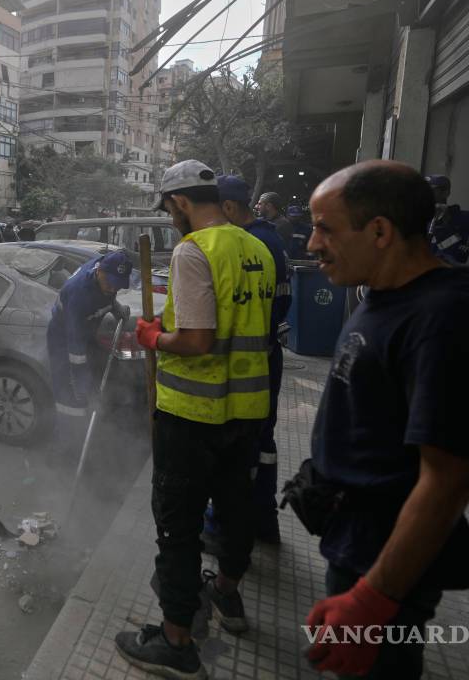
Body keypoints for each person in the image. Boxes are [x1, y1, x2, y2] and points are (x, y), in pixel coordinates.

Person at [295, 161, 469, 678]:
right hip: (357, 545)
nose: (311, 244)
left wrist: (372, 601)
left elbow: (445, 483)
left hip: (385, 561)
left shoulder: (448, 320)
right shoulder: (386, 294)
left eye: (325, 228)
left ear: (379, 231)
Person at [115, 160, 275, 679]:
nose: (169, 221)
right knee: (236, 510)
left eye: (168, 210)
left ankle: (176, 641)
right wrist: (173, 318)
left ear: (180, 202)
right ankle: (227, 595)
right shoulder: (255, 246)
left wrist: (152, 338)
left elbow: (199, 340)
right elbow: (234, 319)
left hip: (192, 415)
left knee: (178, 529)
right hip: (246, 409)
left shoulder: (193, 250)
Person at [213, 175, 292, 544]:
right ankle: (262, 519)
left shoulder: (252, 243)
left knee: (241, 443)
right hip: (266, 356)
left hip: (249, 362)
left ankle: (230, 526)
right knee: (262, 443)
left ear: (229, 208)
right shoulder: (272, 239)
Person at [45, 250, 134, 457]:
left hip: (86, 332)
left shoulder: (104, 269)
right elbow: (75, 345)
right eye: (110, 282)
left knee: (90, 387)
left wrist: (115, 307)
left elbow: (108, 296)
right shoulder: (78, 293)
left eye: (118, 283)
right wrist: (79, 380)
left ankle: (89, 429)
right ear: (99, 272)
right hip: (63, 339)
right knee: (69, 394)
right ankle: (68, 445)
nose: (113, 288)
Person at [425, 174, 469, 264]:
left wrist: (444, 223)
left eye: (431, 191)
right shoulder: (419, 218)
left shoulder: (466, 218)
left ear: (445, 192)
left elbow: (459, 257)